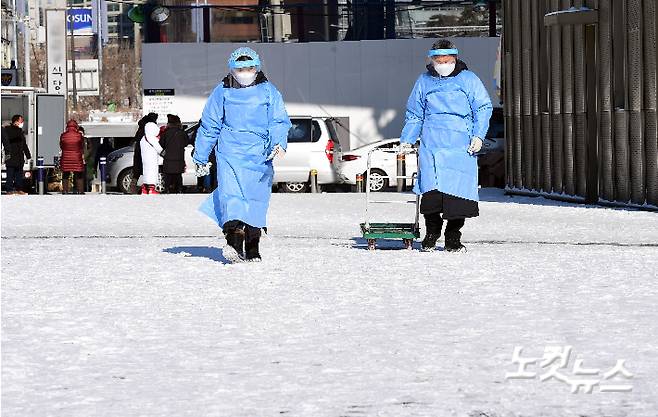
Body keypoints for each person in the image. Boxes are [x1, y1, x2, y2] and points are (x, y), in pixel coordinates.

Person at [193, 47, 292, 262]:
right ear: (232, 69)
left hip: (260, 154)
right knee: (233, 198)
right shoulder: (222, 91)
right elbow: (210, 125)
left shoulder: (269, 92)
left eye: (250, 68)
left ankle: (253, 247)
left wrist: (279, 142)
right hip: (230, 153)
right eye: (240, 69)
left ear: (257, 68)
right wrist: (200, 155)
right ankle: (233, 243)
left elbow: (278, 120)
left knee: (256, 200)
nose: (245, 72)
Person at [399, 39, 492, 252]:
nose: (442, 64)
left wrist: (478, 136)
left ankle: (453, 236)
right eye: (438, 60)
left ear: (455, 59)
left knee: (458, 195)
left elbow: (483, 108)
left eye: (446, 60)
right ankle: (431, 233)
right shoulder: (423, 81)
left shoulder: (468, 79)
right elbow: (415, 114)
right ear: (431, 61)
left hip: (461, 145)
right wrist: (407, 139)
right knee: (432, 193)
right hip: (432, 144)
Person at [160, 114, 189, 193]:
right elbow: (186, 143)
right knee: (178, 175)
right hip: (179, 157)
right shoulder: (182, 133)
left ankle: (167, 189)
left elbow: (161, 143)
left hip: (168, 158)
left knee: (168, 175)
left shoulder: (166, 133)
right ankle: (179, 189)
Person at [3, 115, 31, 195]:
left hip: (19, 157)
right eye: (21, 121)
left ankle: (19, 189)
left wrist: (28, 155)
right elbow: (11, 136)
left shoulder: (20, 131)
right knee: (10, 174)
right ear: (15, 121)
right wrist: (16, 129)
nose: (22, 122)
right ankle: (9, 190)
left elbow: (24, 145)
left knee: (19, 175)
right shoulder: (8, 130)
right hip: (11, 156)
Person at [131, 113, 158, 193]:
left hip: (138, 151)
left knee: (137, 171)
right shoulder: (148, 128)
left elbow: (136, 138)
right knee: (147, 171)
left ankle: (133, 188)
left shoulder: (141, 127)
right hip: (145, 152)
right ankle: (146, 188)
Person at [140, 122, 163, 195]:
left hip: (145, 159)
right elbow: (159, 148)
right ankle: (151, 189)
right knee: (152, 173)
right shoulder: (152, 138)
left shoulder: (143, 138)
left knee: (146, 172)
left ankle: (144, 189)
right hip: (152, 159)